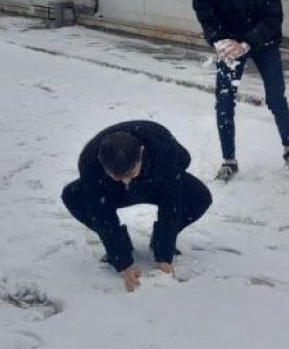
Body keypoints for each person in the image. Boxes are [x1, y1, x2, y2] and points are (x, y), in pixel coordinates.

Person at [190, 0, 289, 181]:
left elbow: (273, 17)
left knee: (276, 98)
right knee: (224, 101)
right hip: (230, 44)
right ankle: (229, 161)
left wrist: (248, 42)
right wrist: (220, 42)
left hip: (263, 42)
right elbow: (207, 19)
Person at [61, 121, 212, 292]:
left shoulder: (164, 151)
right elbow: (102, 215)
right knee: (73, 196)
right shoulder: (90, 164)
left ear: (141, 152)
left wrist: (164, 254)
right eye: (117, 176)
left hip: (156, 181)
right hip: (112, 191)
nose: (126, 181)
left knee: (200, 197)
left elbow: (171, 205)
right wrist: (123, 262)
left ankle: (158, 240)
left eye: (130, 173)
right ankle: (122, 244)